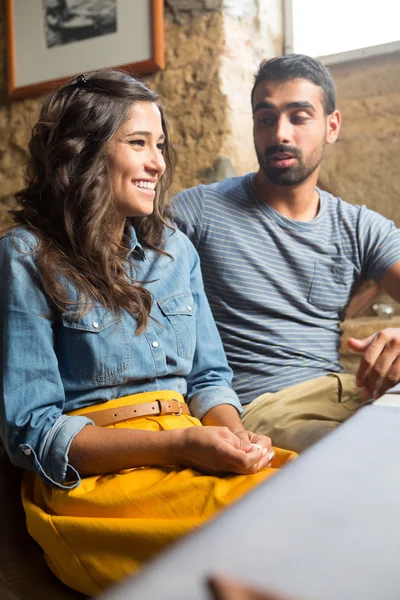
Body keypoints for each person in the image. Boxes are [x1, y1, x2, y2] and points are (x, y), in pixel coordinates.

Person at [0, 70, 295, 597]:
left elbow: (209, 378)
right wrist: (180, 447)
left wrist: (234, 436)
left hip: (189, 449)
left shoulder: (176, 252)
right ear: (83, 154)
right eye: (138, 144)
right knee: (267, 531)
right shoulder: (24, 256)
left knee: (314, 494)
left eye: (159, 145)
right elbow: (34, 432)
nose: (158, 163)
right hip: (97, 485)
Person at [172, 54, 400, 453]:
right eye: (266, 118)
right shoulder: (200, 211)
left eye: (298, 117)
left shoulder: (360, 226)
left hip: (348, 394)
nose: (280, 133)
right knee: (365, 455)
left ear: (332, 126)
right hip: (266, 407)